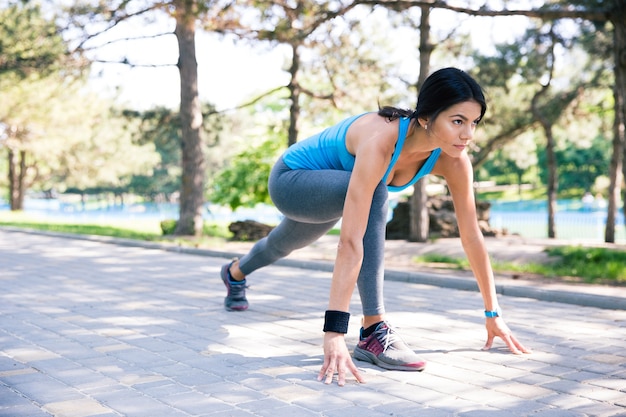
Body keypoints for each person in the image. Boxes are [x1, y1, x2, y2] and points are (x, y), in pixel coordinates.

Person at [220, 67, 531, 386]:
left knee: (281, 245)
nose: (468, 134)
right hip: (292, 181)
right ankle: (373, 329)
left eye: (474, 122)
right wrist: (334, 332)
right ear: (426, 117)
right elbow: (350, 242)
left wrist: (494, 313)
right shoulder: (381, 140)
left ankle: (234, 273)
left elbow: (472, 237)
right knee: (377, 191)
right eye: (457, 121)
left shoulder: (453, 159)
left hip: (338, 192)